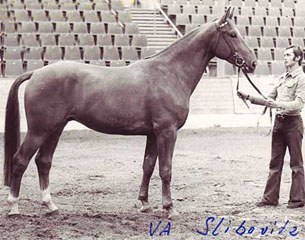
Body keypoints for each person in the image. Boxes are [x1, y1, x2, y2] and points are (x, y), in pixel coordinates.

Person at [238, 45, 305, 208]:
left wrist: (277, 104)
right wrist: (249, 97)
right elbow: (268, 98)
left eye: (288, 55)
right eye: (284, 55)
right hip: (279, 123)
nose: (285, 58)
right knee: (275, 162)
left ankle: (297, 200)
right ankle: (270, 199)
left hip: (293, 123)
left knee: (296, 163)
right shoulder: (282, 78)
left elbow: (299, 104)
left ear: (297, 58)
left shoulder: (301, 78)